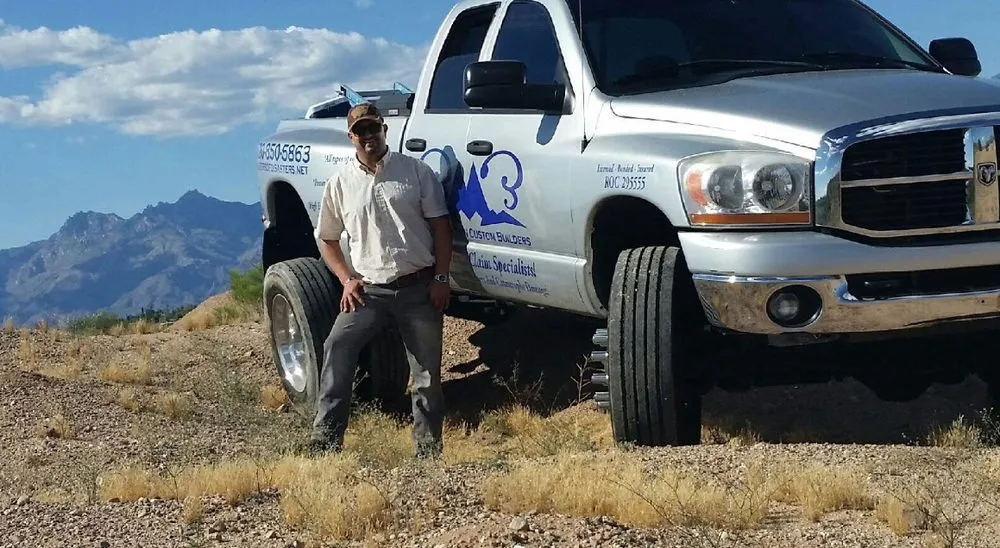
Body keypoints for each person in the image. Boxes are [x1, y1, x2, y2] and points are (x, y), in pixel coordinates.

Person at [303, 102, 453, 458]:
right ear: (351, 137)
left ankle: (428, 453)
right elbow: (326, 237)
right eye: (361, 131)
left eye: (374, 128)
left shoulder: (415, 172)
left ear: (385, 129)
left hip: (418, 287)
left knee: (426, 376)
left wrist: (442, 278)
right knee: (337, 348)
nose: (369, 136)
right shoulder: (340, 184)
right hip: (367, 292)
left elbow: (441, 227)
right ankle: (326, 440)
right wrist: (346, 279)